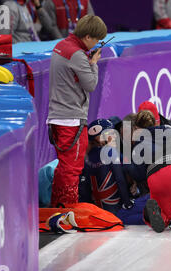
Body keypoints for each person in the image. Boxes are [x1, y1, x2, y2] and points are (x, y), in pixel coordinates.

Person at [47, 14, 107, 207]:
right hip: (71, 119)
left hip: (58, 116)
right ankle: (67, 212)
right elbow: (90, 84)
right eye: (97, 40)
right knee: (71, 169)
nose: (98, 44)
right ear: (88, 37)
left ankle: (57, 208)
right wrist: (94, 64)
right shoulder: (78, 54)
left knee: (63, 168)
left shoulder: (62, 45)